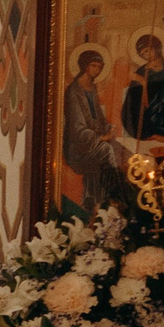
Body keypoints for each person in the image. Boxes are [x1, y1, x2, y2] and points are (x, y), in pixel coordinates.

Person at [59, 48, 130, 209]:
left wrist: (108, 128)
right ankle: (116, 197)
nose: (97, 70)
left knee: (123, 151)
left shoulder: (91, 87)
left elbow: (97, 117)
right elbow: (76, 127)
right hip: (77, 148)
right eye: (93, 66)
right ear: (85, 66)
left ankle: (102, 200)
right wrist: (100, 138)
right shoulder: (73, 91)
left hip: (93, 142)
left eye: (100, 67)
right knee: (107, 150)